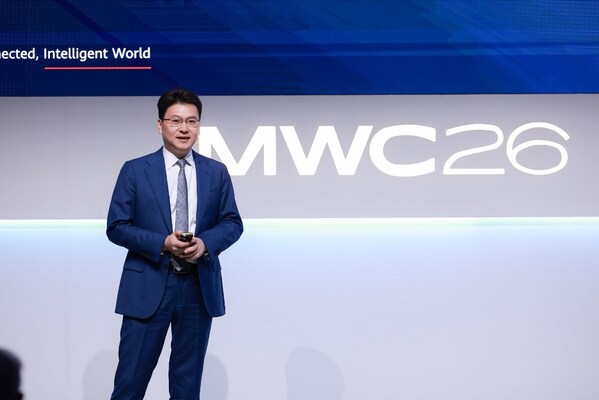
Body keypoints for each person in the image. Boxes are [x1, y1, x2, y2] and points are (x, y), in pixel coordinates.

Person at [107, 88, 243, 399]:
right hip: (148, 284)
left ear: (199, 126)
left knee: (187, 388)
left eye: (192, 121)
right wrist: (163, 243)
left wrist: (205, 243)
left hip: (198, 286)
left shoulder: (216, 172)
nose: (184, 128)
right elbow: (116, 227)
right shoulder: (135, 170)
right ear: (160, 125)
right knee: (130, 384)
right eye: (176, 121)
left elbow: (232, 223)